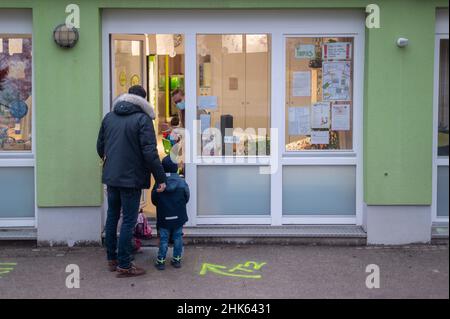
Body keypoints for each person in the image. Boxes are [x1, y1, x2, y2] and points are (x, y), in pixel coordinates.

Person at [97, 85, 167, 278]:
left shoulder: (109, 117)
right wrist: (161, 178)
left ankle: (112, 259)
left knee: (112, 216)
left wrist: (111, 162)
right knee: (128, 220)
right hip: (131, 179)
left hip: (112, 176)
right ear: (143, 101)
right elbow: (150, 153)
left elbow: (100, 147)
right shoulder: (143, 120)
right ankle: (125, 264)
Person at [151, 155, 190, 270]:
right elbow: (187, 197)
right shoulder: (182, 183)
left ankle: (161, 261)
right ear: (176, 168)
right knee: (178, 237)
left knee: (164, 239)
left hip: (164, 216)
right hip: (179, 216)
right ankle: (177, 259)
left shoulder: (160, 183)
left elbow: (154, 199)